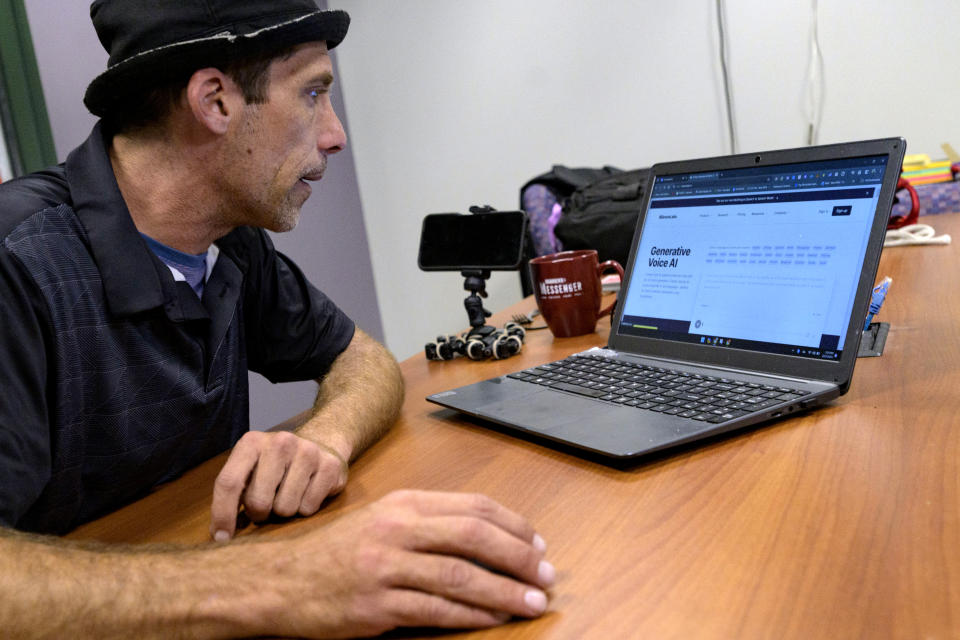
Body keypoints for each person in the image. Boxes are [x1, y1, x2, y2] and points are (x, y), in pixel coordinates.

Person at [0, 1, 554, 637]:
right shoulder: (17, 265)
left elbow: (362, 358)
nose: (335, 133)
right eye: (314, 92)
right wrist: (282, 578)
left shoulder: (228, 242)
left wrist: (326, 438)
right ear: (215, 102)